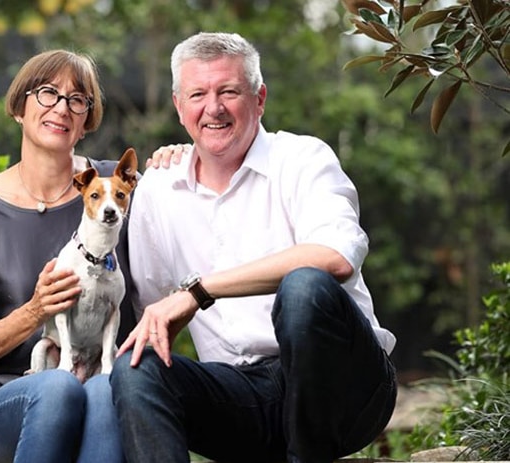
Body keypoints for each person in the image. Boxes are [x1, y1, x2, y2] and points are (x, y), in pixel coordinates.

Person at [110, 32, 398, 463]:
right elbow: (150, 314)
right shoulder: (158, 190)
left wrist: (199, 291)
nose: (214, 108)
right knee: (138, 368)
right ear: (178, 106)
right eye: (198, 94)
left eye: (229, 91)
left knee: (304, 288)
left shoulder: (303, 158)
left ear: (260, 98)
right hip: (243, 397)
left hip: (345, 391)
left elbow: (334, 257)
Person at [0, 50, 136, 463]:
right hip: (9, 398)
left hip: (100, 375)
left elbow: (191, 187)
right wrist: (34, 311)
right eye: (48, 93)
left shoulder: (113, 191)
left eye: (77, 100)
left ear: (85, 121)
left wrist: (177, 154)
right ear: (19, 107)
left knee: (104, 390)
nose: (61, 108)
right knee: (58, 387)